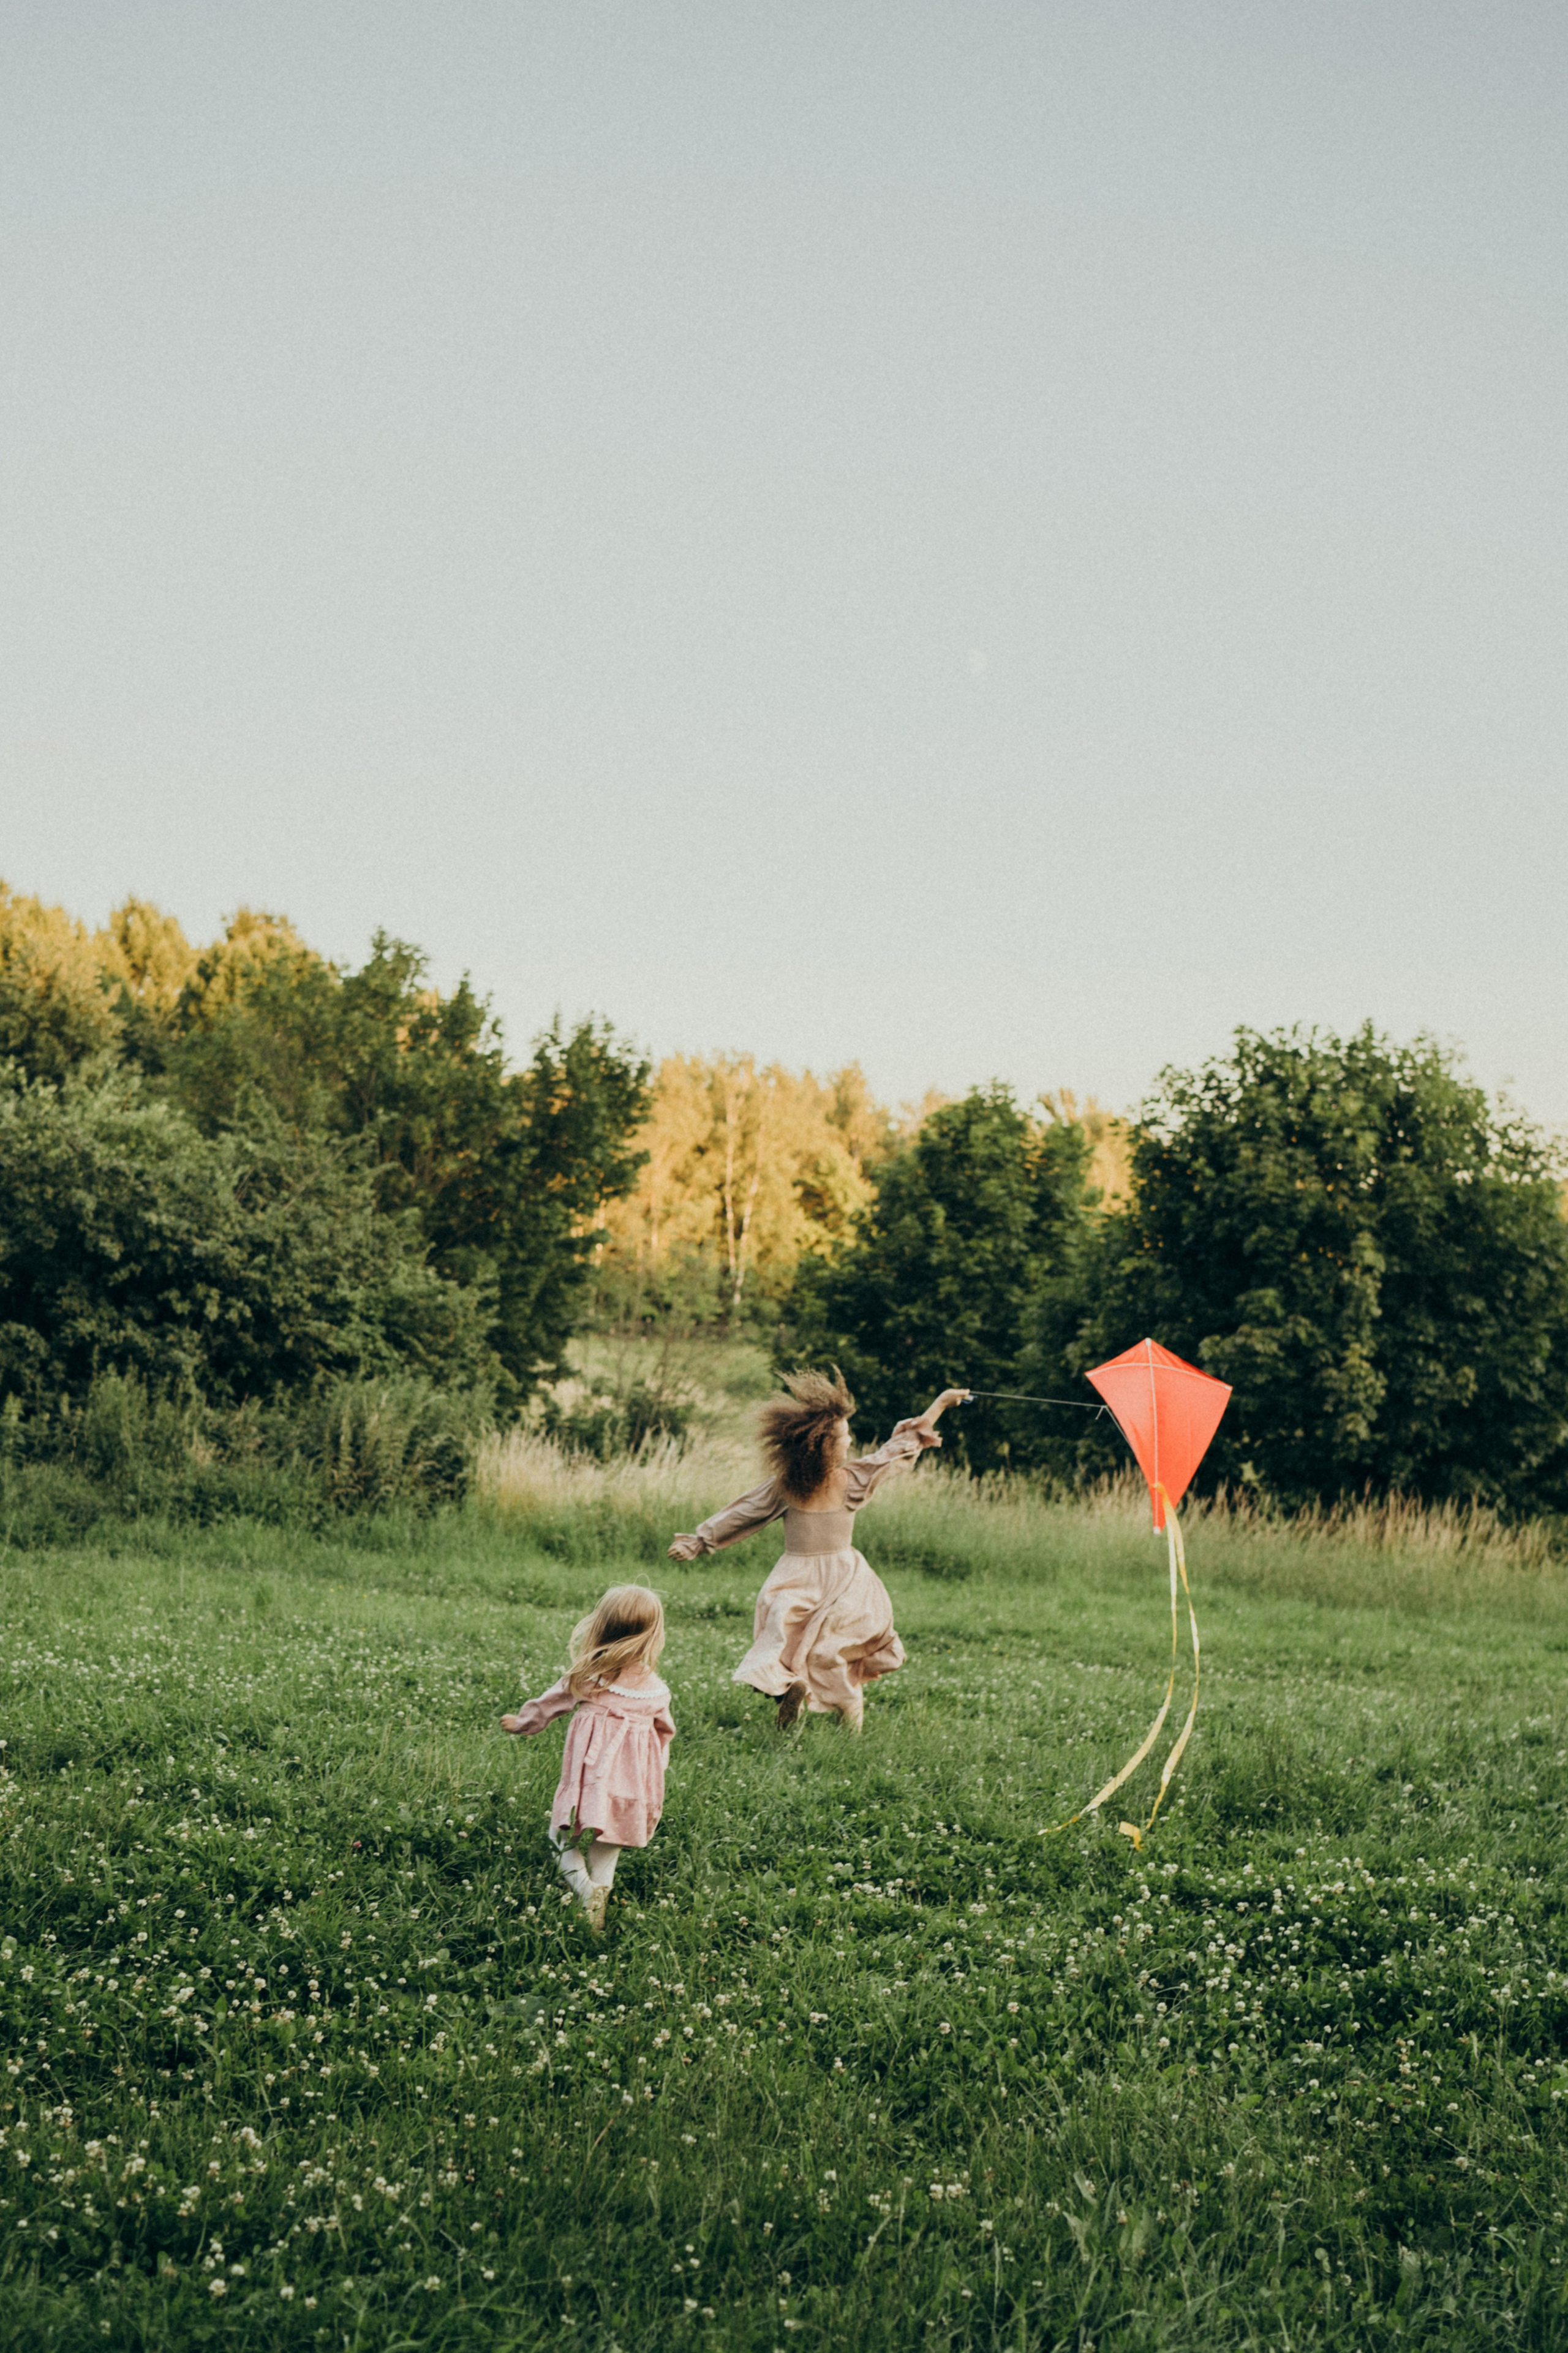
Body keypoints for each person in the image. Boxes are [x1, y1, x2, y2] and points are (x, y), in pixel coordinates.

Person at [668, 1370, 968, 1732]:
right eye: (845, 1437)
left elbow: (743, 1512)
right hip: (841, 1578)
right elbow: (897, 1451)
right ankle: (820, 1709)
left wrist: (699, 1541)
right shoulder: (845, 1481)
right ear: (822, 1445)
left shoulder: (795, 1485)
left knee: (788, 1643)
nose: (851, 1441)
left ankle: (795, 1694)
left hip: (802, 1580)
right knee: (824, 1654)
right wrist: (698, 1541)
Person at [501, 1584, 674, 1930]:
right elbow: (665, 1734)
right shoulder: (657, 1689)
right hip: (632, 1785)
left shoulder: (587, 1678)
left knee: (559, 1838)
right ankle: (601, 1892)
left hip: (590, 1779)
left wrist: (523, 1723)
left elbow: (549, 1705)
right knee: (608, 1844)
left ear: (601, 1627)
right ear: (652, 1635)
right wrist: (654, 1774)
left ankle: (584, 1891)